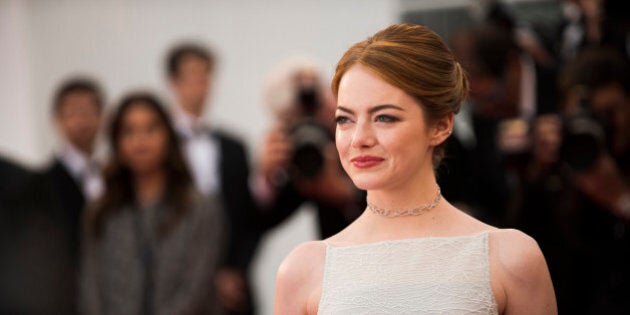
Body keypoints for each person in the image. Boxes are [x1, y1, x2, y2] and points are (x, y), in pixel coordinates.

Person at [274, 23, 556, 314]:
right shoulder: (302, 271)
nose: (359, 139)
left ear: (441, 125)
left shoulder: (511, 258)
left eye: (384, 118)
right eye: (345, 119)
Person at [80, 93, 223, 314]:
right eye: (129, 131)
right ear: (116, 141)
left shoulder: (199, 207)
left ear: (168, 136)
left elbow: (197, 288)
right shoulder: (102, 211)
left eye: (151, 129)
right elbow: (91, 286)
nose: (140, 141)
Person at [166, 43, 260, 315]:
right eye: (191, 76)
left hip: (232, 288)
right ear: (174, 82)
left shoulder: (234, 146)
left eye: (205, 76)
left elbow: (246, 216)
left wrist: (234, 270)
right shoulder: (160, 148)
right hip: (174, 285)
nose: (199, 84)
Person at [256, 59, 364, 238]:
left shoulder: (366, 140)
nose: (312, 125)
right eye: (297, 119)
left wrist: (346, 194)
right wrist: (267, 179)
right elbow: (259, 222)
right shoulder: (300, 157)